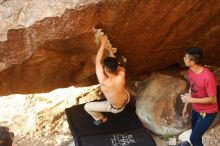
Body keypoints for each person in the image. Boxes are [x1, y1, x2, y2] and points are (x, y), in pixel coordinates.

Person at [84, 35, 130, 125]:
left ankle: (101, 119)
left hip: (115, 109)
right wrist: (109, 50)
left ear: (104, 69)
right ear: (117, 67)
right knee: (118, 89)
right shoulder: (122, 73)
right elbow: (115, 63)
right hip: (127, 98)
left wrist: (103, 43)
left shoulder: (104, 81)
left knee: (87, 107)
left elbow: (97, 61)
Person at [180, 47, 218, 146]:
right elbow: (192, 88)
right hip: (196, 110)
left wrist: (191, 99)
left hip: (208, 113)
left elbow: (213, 100)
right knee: (196, 135)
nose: (183, 58)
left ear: (192, 62)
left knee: (194, 138)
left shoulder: (208, 77)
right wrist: (186, 106)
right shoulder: (191, 71)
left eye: (185, 57)